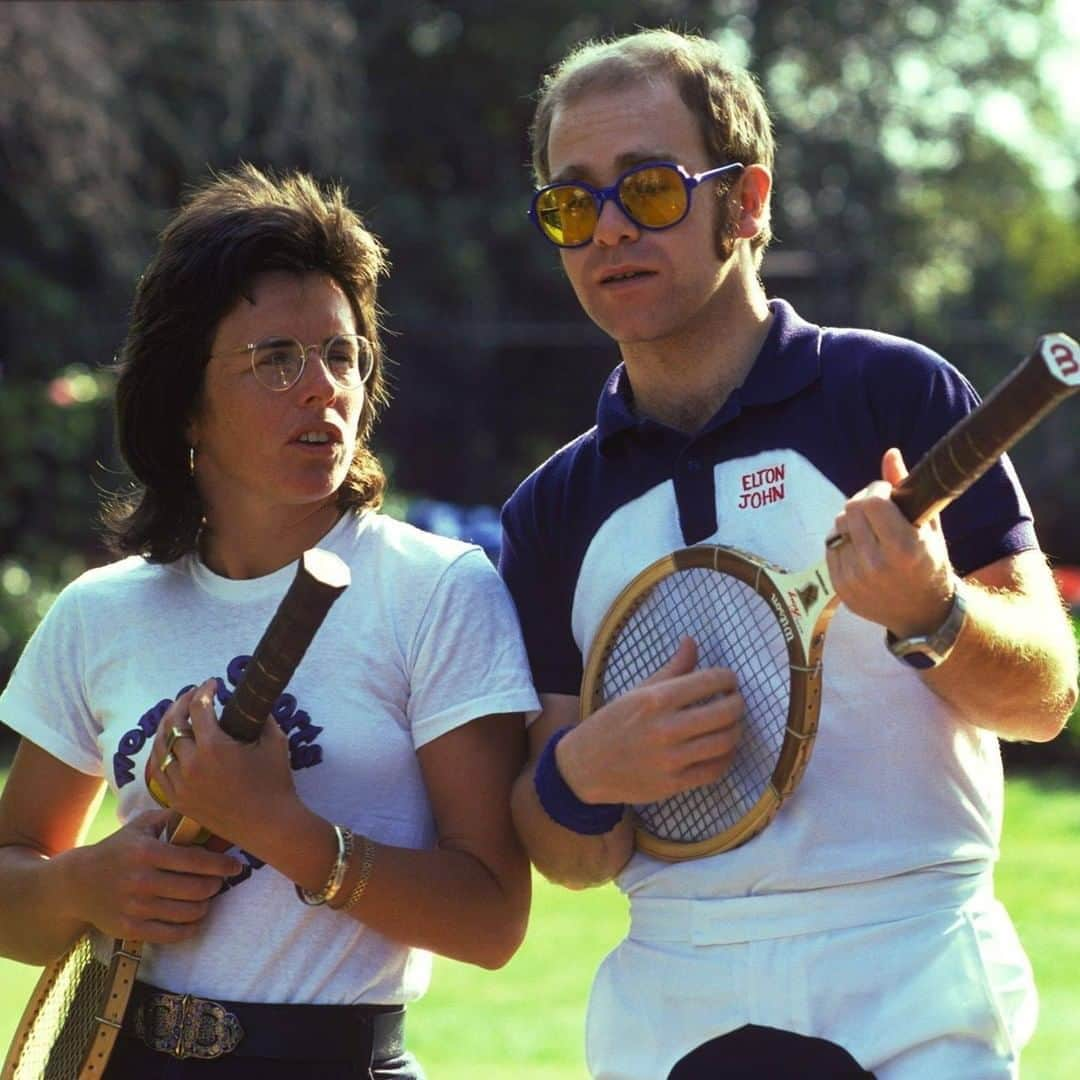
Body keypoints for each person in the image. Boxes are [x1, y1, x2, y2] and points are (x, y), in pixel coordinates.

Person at [499, 28, 1079, 1080]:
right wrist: (586, 773)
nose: (611, 228)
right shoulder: (551, 511)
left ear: (748, 202)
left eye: (652, 187)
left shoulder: (894, 396)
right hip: (668, 1006)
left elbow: (1045, 696)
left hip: (914, 980)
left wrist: (934, 610)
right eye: (573, 203)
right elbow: (566, 851)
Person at [0, 164, 539, 1079]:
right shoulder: (101, 611)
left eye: (341, 356)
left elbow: (492, 921)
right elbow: (10, 890)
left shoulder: (437, 588)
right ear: (184, 401)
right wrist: (84, 885)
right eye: (275, 359)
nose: (320, 388)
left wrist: (280, 828)